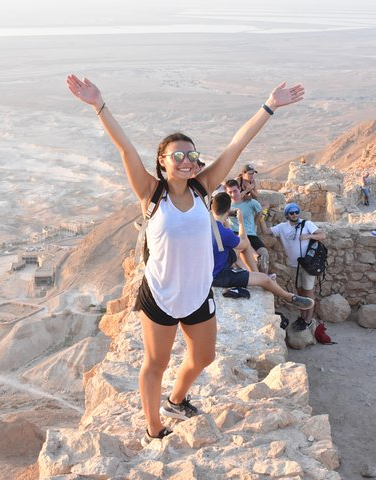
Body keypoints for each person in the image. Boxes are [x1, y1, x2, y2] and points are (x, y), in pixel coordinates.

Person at [66, 74, 304, 445]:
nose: (186, 160)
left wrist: (269, 105)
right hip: (160, 296)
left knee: (204, 357)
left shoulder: (202, 188)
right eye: (177, 155)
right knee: (156, 364)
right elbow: (126, 150)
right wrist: (99, 105)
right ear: (162, 162)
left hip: (197, 294)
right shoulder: (152, 193)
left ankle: (176, 400)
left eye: (191, 154)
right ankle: (153, 426)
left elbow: (237, 145)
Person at [210, 193, 314, 310]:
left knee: (244, 247)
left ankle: (254, 273)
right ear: (229, 210)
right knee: (264, 278)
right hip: (219, 275)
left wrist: (227, 226)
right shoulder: (224, 232)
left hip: (212, 265)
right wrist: (240, 223)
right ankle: (289, 297)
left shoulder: (207, 224)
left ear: (211, 208)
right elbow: (244, 241)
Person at [260, 203, 326, 329]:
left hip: (307, 264)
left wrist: (308, 236)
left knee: (308, 291)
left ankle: (308, 320)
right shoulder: (282, 227)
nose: (295, 214)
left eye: (296, 212)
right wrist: (262, 215)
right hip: (294, 265)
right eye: (291, 213)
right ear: (287, 215)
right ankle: (302, 317)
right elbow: (266, 231)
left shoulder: (306, 224)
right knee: (300, 292)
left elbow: (322, 235)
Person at [225, 179, 270, 273]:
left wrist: (255, 222)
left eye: (235, 191)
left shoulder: (250, 202)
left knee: (264, 254)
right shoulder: (226, 205)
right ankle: (256, 278)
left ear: (239, 189)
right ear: (226, 192)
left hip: (250, 234)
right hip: (235, 234)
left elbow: (261, 210)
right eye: (230, 192)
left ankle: (264, 278)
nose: (233, 194)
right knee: (247, 256)